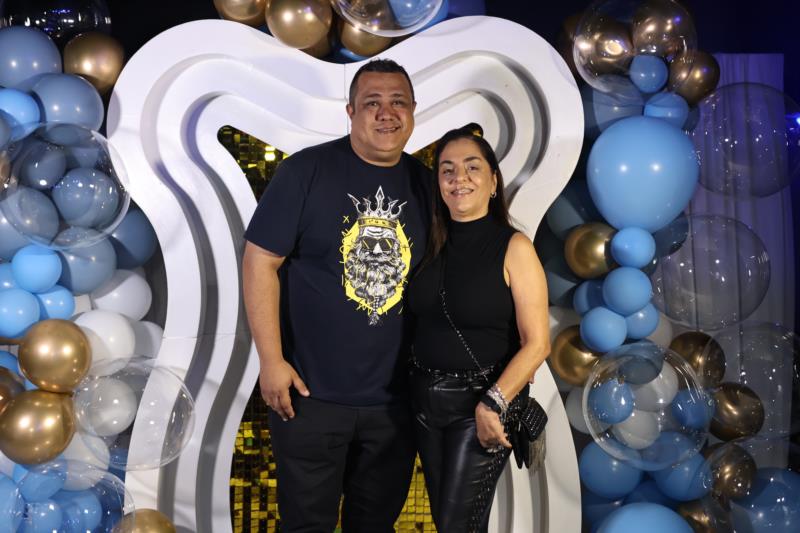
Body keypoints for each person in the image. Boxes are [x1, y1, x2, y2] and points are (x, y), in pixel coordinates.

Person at [242, 59, 430, 532]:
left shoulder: (430, 186)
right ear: (350, 111)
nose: (386, 113)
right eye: (372, 103)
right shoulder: (305, 172)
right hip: (310, 398)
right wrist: (270, 360)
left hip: (396, 406)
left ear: (413, 110)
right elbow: (260, 262)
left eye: (398, 102)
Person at [407, 126, 551, 532]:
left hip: (479, 405)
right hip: (423, 404)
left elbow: (538, 343)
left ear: (493, 181)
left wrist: (492, 404)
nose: (459, 178)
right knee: (451, 524)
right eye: (447, 170)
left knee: (457, 526)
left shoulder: (515, 247)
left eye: (472, 167)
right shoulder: (428, 244)